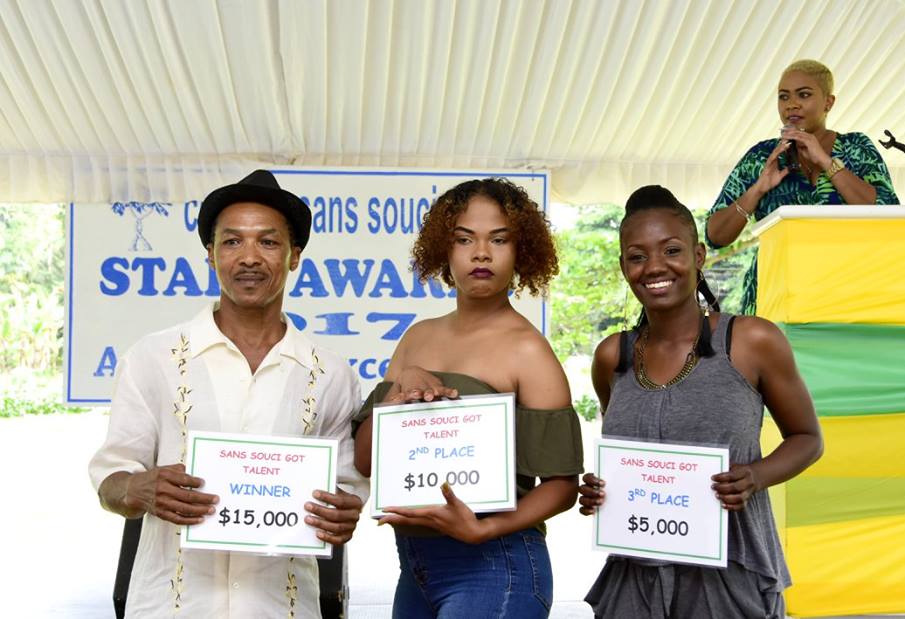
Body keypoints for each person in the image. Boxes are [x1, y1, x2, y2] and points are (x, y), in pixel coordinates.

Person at [89, 170, 368, 618]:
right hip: (171, 608)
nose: (249, 257)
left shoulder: (330, 374)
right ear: (211, 254)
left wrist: (341, 515)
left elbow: (345, 491)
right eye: (232, 241)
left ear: (295, 256)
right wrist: (138, 487)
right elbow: (111, 481)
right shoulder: (152, 358)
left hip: (281, 608)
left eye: (268, 242)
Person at [579, 186, 823, 618]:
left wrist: (755, 476)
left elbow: (808, 439)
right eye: (637, 256)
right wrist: (605, 489)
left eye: (671, 250)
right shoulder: (612, 356)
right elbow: (628, 455)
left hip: (729, 576)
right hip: (635, 581)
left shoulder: (750, 341)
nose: (655, 266)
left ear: (698, 256)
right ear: (623, 267)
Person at [352, 178, 584, 618]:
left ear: (521, 251)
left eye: (499, 239)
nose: (481, 253)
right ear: (444, 249)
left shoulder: (528, 350)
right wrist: (399, 392)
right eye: (464, 239)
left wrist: (485, 530)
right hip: (415, 569)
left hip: (497, 564)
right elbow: (366, 461)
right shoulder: (416, 338)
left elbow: (562, 486)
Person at [705, 59, 899, 315]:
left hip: (846, 299)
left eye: (804, 95)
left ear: (828, 102)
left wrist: (826, 162)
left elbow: (889, 215)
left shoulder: (855, 148)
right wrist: (758, 189)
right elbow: (715, 236)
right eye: (783, 97)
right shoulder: (761, 156)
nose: (791, 104)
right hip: (774, 301)